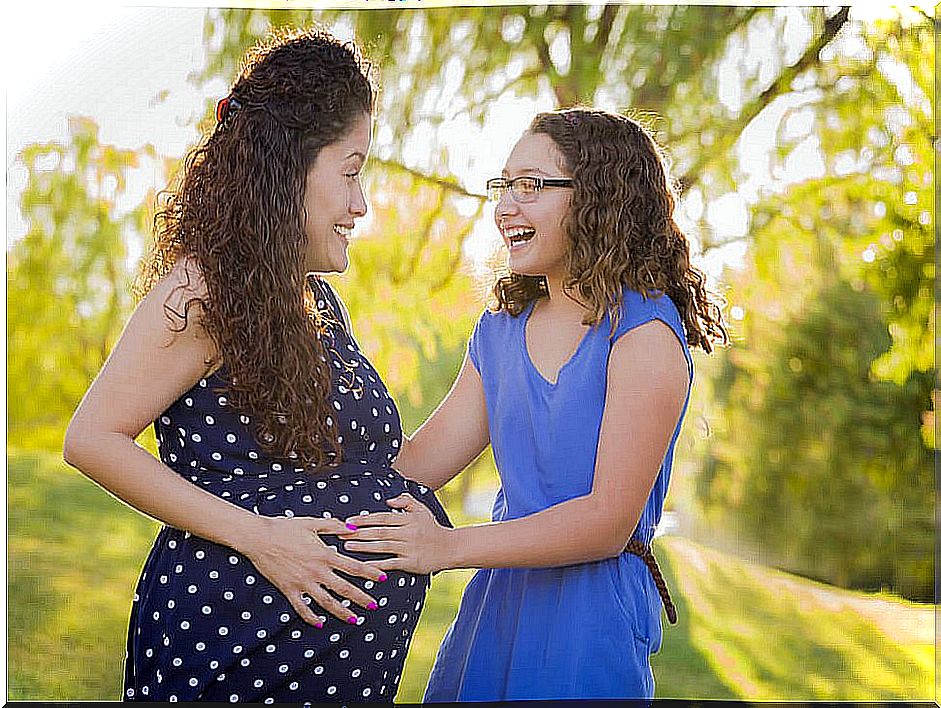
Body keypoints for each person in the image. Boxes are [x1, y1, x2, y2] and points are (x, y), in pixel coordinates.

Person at [63, 27, 448, 704]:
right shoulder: (203, 287)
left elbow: (383, 466)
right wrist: (263, 539)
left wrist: (509, 350)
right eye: (352, 172)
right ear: (289, 165)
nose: (361, 205)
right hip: (230, 652)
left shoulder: (317, 302)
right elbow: (91, 439)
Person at [340, 107, 729, 700]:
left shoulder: (645, 334)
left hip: (591, 616)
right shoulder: (499, 330)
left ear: (597, 196)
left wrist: (447, 548)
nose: (504, 208)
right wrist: (299, 470)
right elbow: (419, 465)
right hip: (497, 609)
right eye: (503, 186)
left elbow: (605, 522)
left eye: (529, 186)